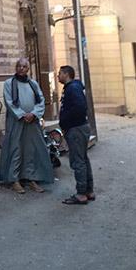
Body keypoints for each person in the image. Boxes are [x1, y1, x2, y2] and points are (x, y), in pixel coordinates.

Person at [0, 57, 53, 193]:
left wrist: (33, 114)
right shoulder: (9, 83)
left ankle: (31, 178)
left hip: (32, 122)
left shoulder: (33, 84)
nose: (21, 69)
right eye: (19, 66)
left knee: (31, 150)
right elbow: (9, 102)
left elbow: (41, 100)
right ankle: (14, 180)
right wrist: (22, 115)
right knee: (15, 149)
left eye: (24, 67)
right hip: (16, 121)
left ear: (28, 69)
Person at [58, 65, 94, 205]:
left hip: (76, 129)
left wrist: (66, 122)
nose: (58, 76)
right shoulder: (73, 88)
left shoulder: (72, 88)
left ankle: (81, 194)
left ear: (66, 74)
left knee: (78, 161)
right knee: (83, 159)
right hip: (78, 127)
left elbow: (79, 107)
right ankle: (88, 191)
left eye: (60, 73)